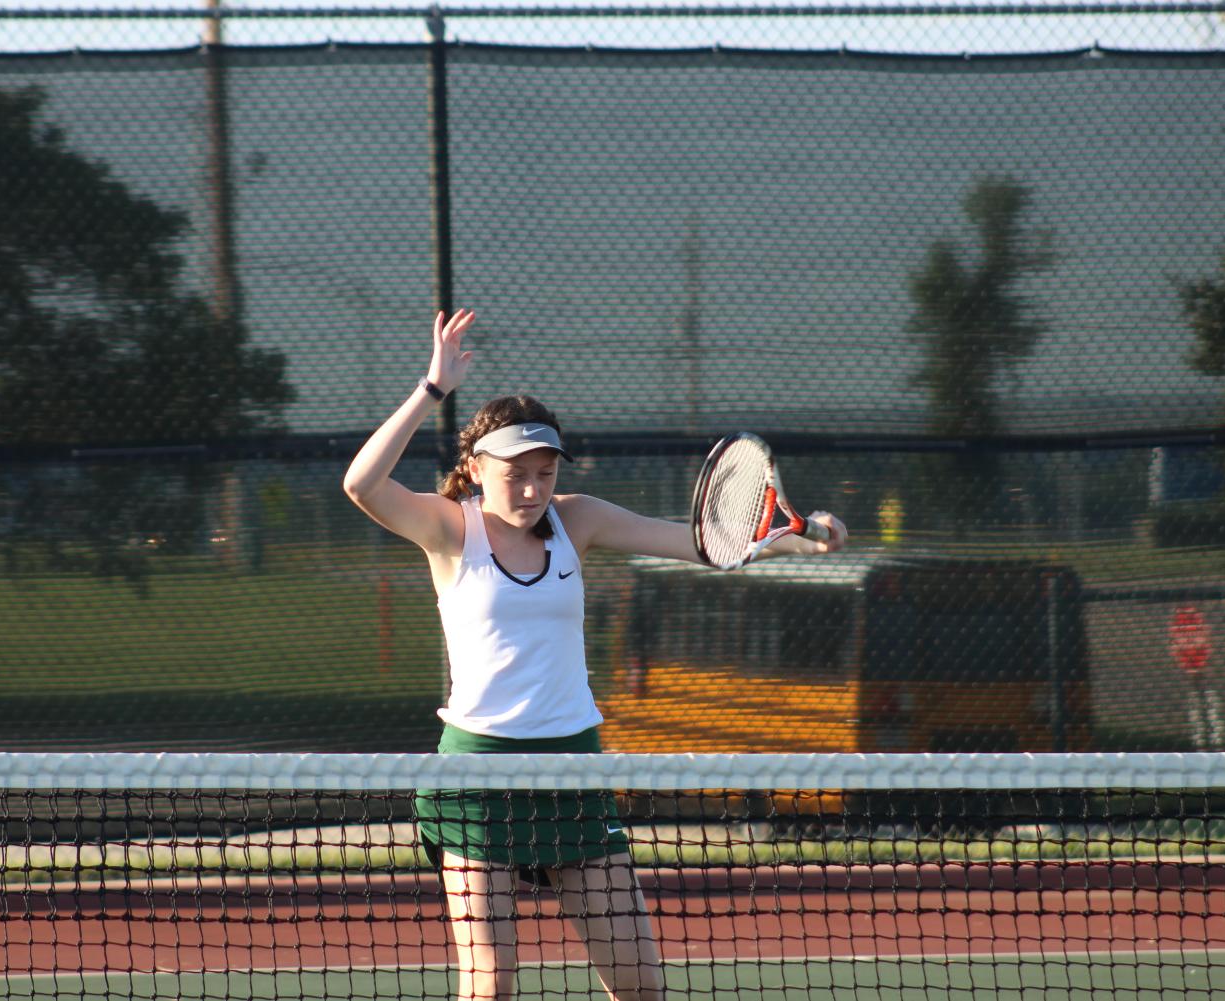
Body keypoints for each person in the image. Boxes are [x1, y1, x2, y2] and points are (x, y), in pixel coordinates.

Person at [342, 309, 847, 1001]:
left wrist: (801, 540)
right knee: (490, 984)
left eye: (544, 472)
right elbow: (361, 484)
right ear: (475, 469)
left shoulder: (576, 519)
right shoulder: (447, 529)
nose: (531, 488)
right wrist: (431, 388)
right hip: (476, 775)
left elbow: (702, 543)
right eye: (516, 473)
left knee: (640, 986)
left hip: (573, 768)